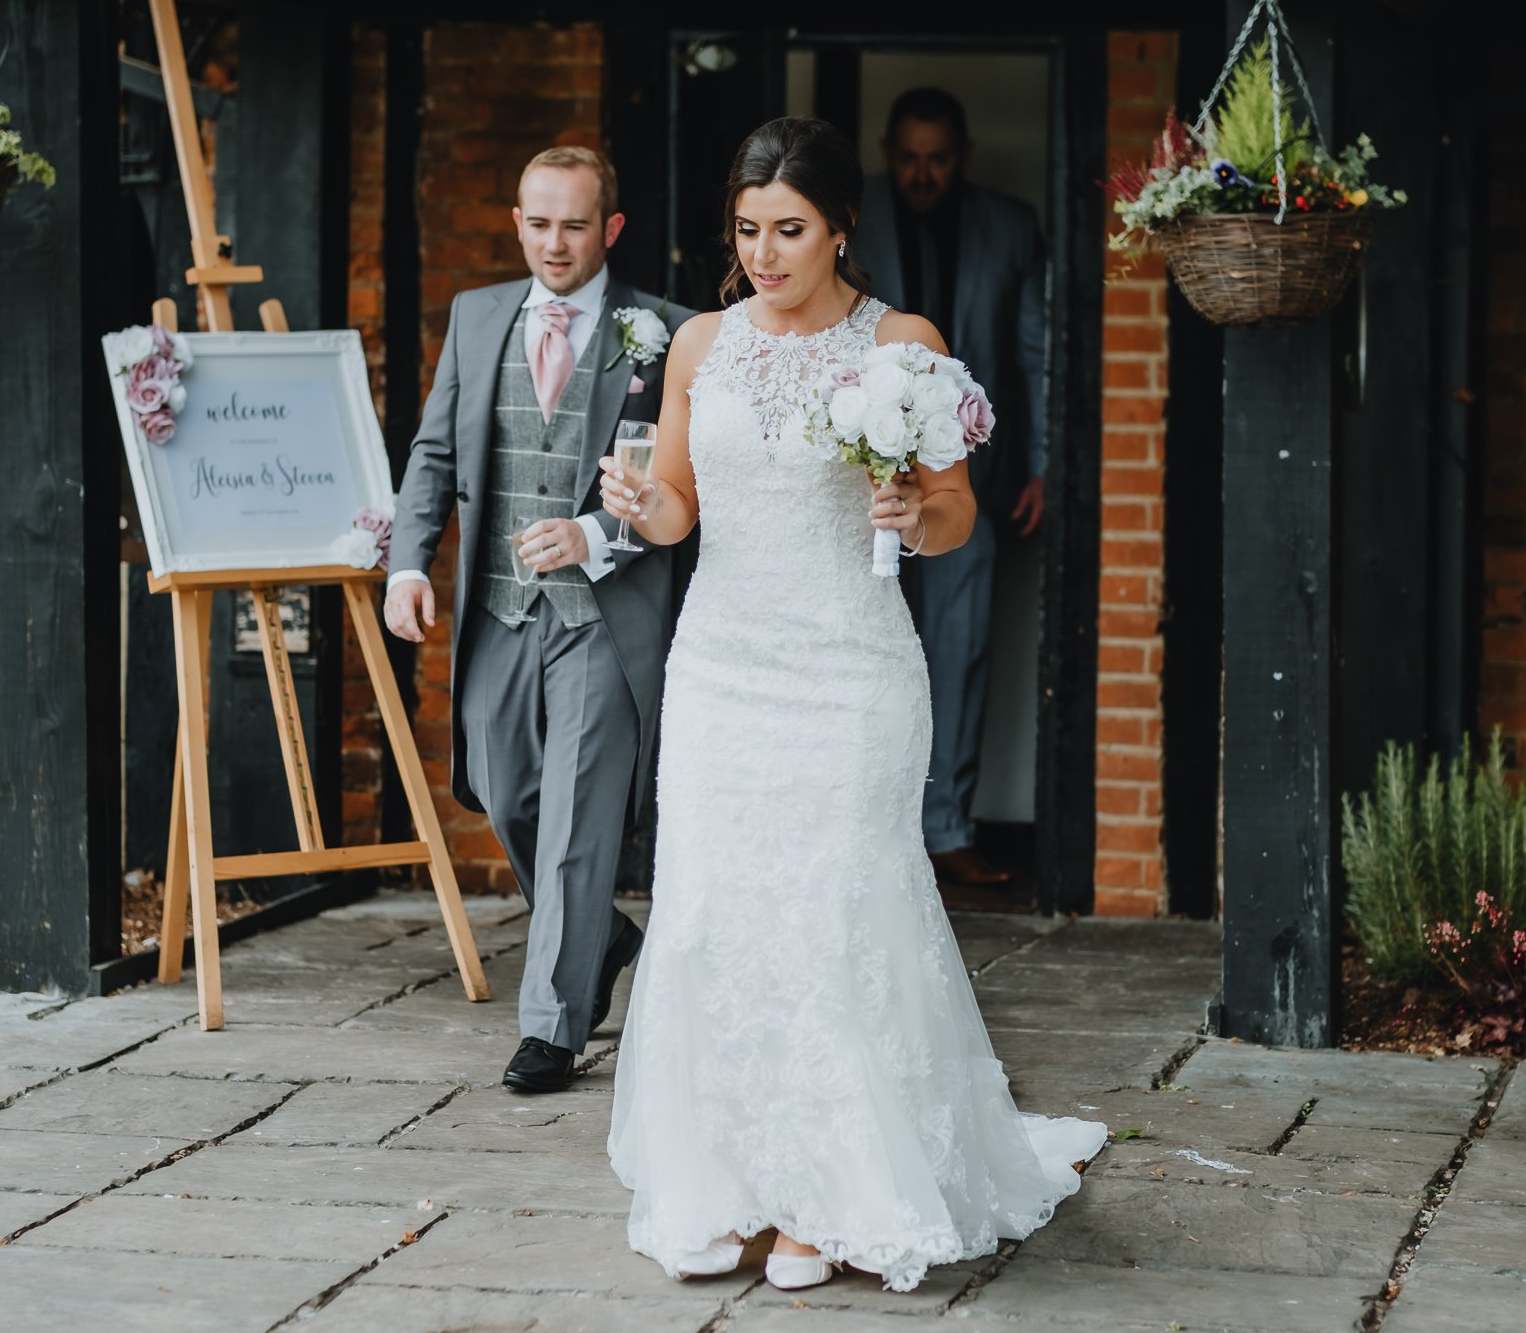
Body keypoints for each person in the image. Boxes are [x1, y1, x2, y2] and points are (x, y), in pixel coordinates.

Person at [602, 117, 1104, 1294]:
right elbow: (680, 506)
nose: (764, 255)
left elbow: (955, 513)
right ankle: (730, 1182)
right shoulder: (698, 347)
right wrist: (637, 507)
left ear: (840, 231)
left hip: (849, 674)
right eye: (746, 231)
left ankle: (827, 1197)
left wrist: (909, 520)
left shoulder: (901, 346)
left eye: (788, 231)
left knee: (831, 919)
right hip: (721, 668)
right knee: (718, 919)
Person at [385, 146, 695, 1095]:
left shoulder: (665, 333)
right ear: (515, 220)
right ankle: (598, 934)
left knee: (573, 818)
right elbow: (435, 450)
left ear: (610, 230)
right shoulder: (478, 317)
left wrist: (597, 532)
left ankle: (553, 1027)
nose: (552, 243)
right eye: (536, 221)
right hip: (499, 605)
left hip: (603, 610)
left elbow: (671, 481)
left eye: (572, 224)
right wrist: (407, 562)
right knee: (501, 782)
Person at [853, 86, 1049, 887]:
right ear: (886, 155)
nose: (922, 173)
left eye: (937, 159)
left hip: (974, 478)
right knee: (865, 656)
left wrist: (1043, 460)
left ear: (961, 155)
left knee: (962, 655)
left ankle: (949, 828)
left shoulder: (1010, 226)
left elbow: (1036, 347)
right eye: (908, 158)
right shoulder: (849, 216)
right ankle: (873, 831)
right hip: (862, 482)